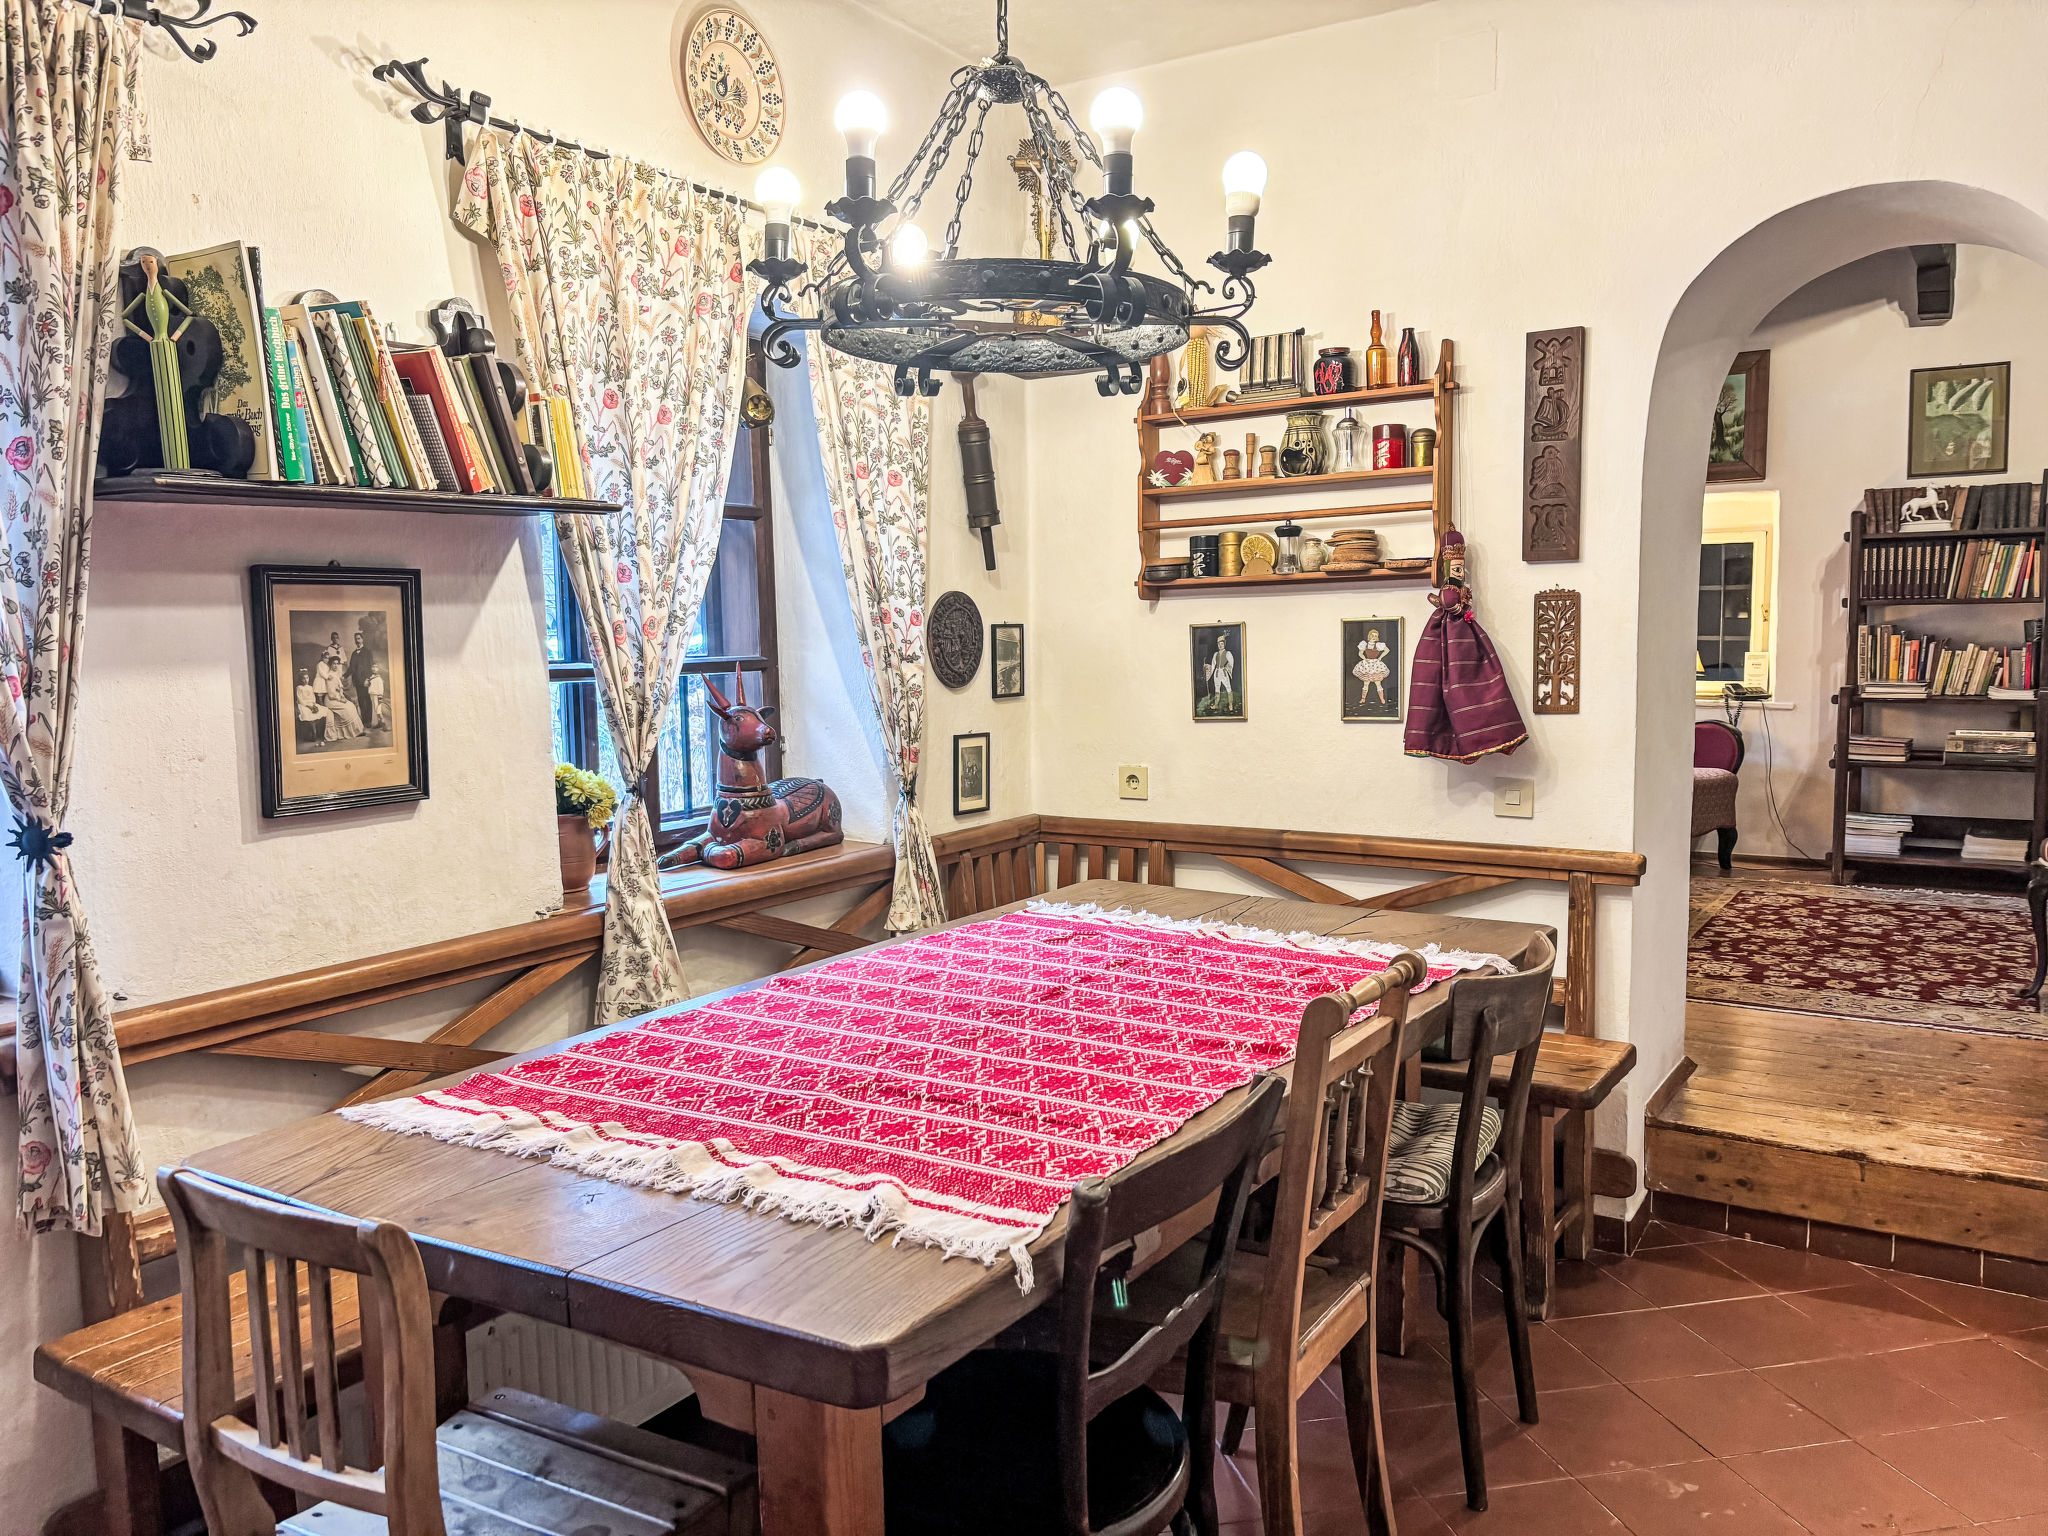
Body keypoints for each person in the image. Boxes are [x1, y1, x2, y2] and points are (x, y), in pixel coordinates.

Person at [315, 649, 365, 739]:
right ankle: (347, 732)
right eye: (334, 663)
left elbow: (339, 689)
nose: (336, 665)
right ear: (330, 664)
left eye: (337, 663)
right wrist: (340, 699)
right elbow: (331, 694)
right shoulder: (330, 676)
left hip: (337, 698)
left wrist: (342, 696)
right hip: (331, 700)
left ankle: (357, 730)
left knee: (351, 706)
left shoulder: (336, 674)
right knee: (347, 709)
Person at [1354, 629, 1391, 712]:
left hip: (1376, 664)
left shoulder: (1378, 645)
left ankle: (1382, 699)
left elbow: (1387, 650)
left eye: (1375, 636)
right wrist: (1364, 659)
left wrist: (1380, 657)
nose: (1374, 637)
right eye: (1372, 635)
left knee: (1378, 682)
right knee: (1366, 682)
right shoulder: (1364, 644)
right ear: (1369, 636)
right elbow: (1360, 653)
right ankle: (1363, 699)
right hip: (1367, 664)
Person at [347, 630, 377, 725]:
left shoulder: (368, 652)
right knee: (360, 701)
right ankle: (364, 721)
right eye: (356, 639)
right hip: (357, 681)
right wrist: (343, 676)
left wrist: (368, 679)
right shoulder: (354, 653)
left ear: (362, 639)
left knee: (367, 700)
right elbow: (351, 667)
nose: (357, 641)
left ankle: (368, 721)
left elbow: (371, 666)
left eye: (359, 638)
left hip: (365, 681)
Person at [294, 667, 331, 742]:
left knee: (323, 710)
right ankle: (313, 733)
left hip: (311, 704)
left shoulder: (310, 687)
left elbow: (313, 698)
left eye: (307, 678)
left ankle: (323, 733)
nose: (306, 680)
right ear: (300, 679)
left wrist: (313, 705)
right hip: (304, 705)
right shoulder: (299, 688)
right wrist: (309, 706)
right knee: (308, 714)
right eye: (303, 679)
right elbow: (300, 700)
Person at [1203, 632, 1236, 713]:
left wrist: (1226, 668)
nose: (1220, 645)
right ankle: (1216, 705)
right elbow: (1213, 665)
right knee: (1217, 689)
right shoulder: (1215, 654)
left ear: (1224, 644)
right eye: (1219, 644)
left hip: (1224, 672)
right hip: (1217, 673)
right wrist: (1207, 667)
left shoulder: (1228, 653)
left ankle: (1230, 705)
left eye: (1221, 644)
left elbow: (1231, 664)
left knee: (1228, 688)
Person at [366, 661, 389, 731]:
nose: (374, 668)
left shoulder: (379, 678)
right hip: (372, 694)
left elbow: (381, 688)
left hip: (377, 696)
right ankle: (379, 723)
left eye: (376, 667)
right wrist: (368, 683)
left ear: (378, 669)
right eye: (373, 667)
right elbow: (367, 685)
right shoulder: (371, 677)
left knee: (378, 709)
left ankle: (384, 724)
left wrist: (380, 696)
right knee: (375, 709)